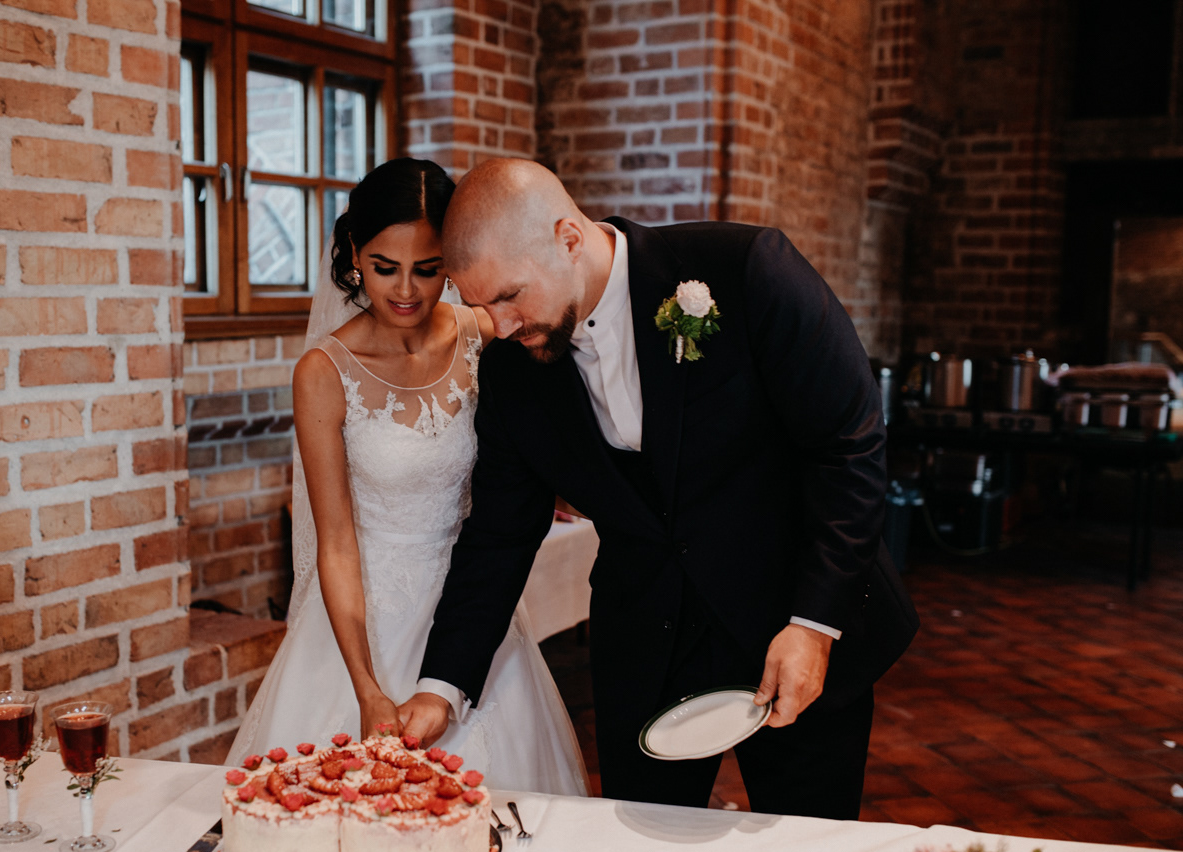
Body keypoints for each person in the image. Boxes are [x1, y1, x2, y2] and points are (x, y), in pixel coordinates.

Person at [397, 159, 918, 818]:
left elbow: (848, 448)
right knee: (637, 851)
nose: (499, 326)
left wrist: (813, 626)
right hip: (647, 644)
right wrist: (442, 684)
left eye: (510, 296)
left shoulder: (747, 271)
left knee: (805, 845)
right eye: (480, 306)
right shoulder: (512, 371)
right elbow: (498, 532)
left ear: (568, 238)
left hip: (791, 621)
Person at [224, 158, 589, 797]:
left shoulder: (484, 334)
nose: (406, 291)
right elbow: (336, 543)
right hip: (366, 619)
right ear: (354, 256)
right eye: (384, 267)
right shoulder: (323, 372)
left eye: (428, 268)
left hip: (471, 605)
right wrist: (366, 687)